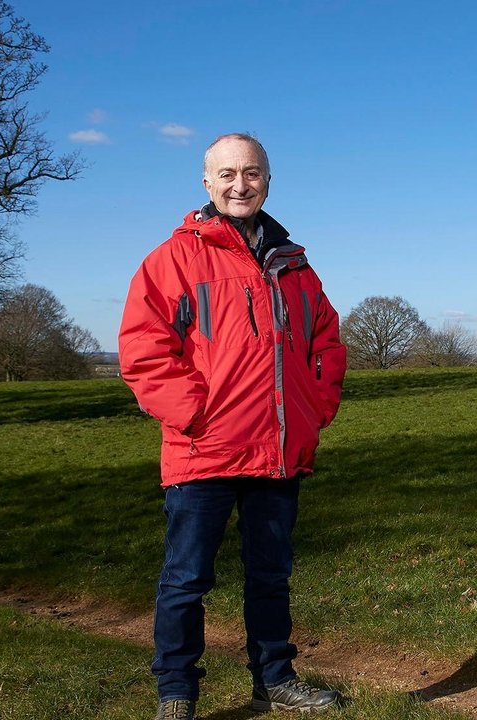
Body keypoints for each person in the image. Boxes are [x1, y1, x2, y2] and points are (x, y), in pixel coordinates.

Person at [119, 133, 348, 720]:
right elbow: (144, 351)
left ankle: (275, 679)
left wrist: (313, 408)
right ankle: (176, 692)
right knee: (186, 579)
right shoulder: (172, 259)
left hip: (278, 449)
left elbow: (326, 343)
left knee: (270, 576)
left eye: (251, 173)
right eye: (227, 174)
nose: (239, 184)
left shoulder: (294, 265)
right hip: (204, 452)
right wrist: (195, 414)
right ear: (206, 182)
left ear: (267, 179)